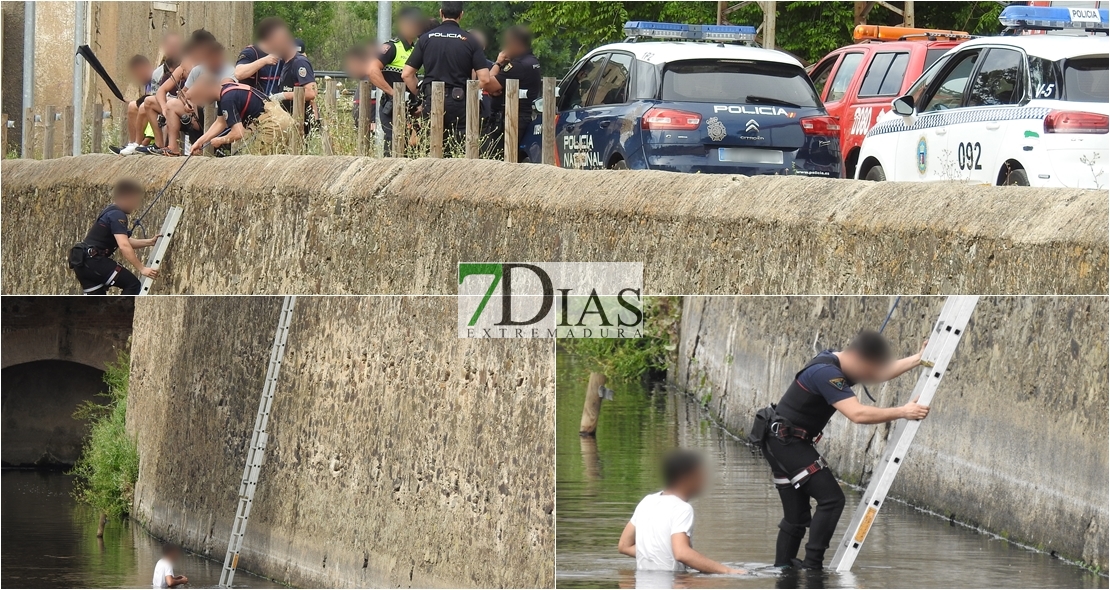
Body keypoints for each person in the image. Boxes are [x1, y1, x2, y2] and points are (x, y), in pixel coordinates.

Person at [759, 331, 929, 570]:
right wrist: (904, 411)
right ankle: (812, 569)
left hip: (779, 440)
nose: (869, 377)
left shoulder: (836, 363)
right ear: (858, 358)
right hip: (787, 443)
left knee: (796, 517)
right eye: (867, 369)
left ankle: (783, 571)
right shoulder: (827, 373)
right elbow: (857, 414)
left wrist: (918, 358)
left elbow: (879, 372)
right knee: (831, 500)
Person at [617, 450, 745, 575]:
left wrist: (656, 555)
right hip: (670, 582)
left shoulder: (647, 501)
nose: (703, 482)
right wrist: (727, 571)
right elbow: (682, 553)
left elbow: (624, 545)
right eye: (700, 476)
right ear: (686, 478)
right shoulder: (682, 508)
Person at [401, 1, 491, 150]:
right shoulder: (471, 40)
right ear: (461, 15)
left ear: (441, 13)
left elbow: (406, 74)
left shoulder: (425, 39)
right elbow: (485, 79)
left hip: (432, 101)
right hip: (460, 102)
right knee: (460, 150)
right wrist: (467, 94)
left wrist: (422, 94)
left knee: (431, 149)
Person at [68, 179, 159, 295]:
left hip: (82, 264)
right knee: (132, 285)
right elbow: (124, 245)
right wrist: (142, 269)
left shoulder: (110, 211)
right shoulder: (117, 215)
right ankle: (122, 312)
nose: (135, 206)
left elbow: (125, 241)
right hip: (93, 261)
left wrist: (149, 242)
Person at [189, 70, 295, 156]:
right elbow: (220, 123)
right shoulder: (226, 91)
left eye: (201, 95)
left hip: (272, 125)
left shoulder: (227, 99)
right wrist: (200, 141)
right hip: (283, 121)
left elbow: (238, 132)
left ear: (208, 88)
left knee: (253, 162)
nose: (202, 101)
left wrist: (221, 140)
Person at [368, 6, 424, 154]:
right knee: (394, 144)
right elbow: (372, 70)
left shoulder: (415, 49)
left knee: (410, 149)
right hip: (392, 107)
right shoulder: (392, 47)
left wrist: (418, 101)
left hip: (410, 110)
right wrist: (392, 93)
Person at [485, 25, 542, 158]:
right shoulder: (532, 61)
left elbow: (487, 84)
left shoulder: (518, 66)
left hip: (510, 120)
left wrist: (498, 63)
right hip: (521, 117)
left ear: (516, 43)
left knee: (499, 159)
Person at [268, 25, 317, 135]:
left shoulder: (299, 62)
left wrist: (284, 95)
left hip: (300, 122)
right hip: (288, 120)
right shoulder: (285, 63)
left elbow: (311, 93)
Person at [111, 54, 156, 155]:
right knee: (132, 105)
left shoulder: (157, 79)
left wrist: (148, 138)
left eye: (139, 73)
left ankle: (143, 143)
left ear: (146, 67)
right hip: (150, 110)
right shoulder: (147, 85)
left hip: (159, 113)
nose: (138, 77)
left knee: (146, 106)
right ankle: (132, 144)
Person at [235, 17, 288, 96]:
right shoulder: (251, 52)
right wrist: (264, 61)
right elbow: (239, 74)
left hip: (275, 106)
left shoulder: (282, 53)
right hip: (252, 105)